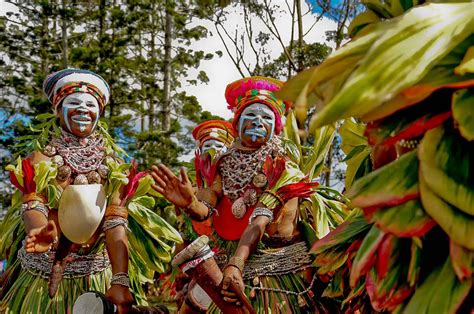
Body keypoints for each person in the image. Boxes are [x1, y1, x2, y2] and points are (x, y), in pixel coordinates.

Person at [0, 68, 180, 313]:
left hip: (96, 275)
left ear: (100, 111)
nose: (83, 109)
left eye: (90, 104)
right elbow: (34, 205)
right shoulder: (40, 159)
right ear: (57, 108)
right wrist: (39, 231)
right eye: (74, 102)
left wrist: (120, 279)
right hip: (42, 278)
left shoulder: (114, 166)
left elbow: (115, 223)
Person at [152, 76, 318, 313]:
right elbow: (207, 209)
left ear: (276, 127)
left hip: (277, 275)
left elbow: (259, 220)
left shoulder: (284, 166)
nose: (257, 122)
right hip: (231, 273)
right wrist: (190, 204)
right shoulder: (225, 165)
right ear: (237, 123)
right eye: (250, 116)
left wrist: (236, 263)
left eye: (266, 117)